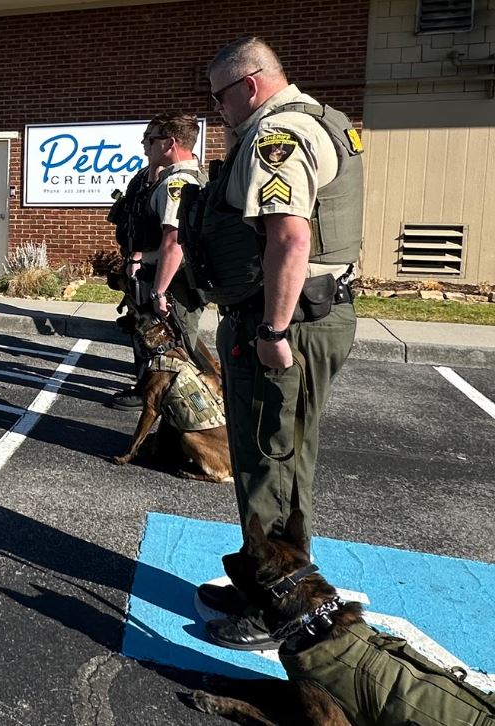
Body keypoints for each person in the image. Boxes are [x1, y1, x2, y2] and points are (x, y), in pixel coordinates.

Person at [188, 37, 364, 649]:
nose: (218, 110)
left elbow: (290, 238)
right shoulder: (318, 121)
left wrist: (272, 330)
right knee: (273, 458)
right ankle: (257, 581)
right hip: (305, 313)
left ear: (250, 84)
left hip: (287, 321)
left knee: (272, 464)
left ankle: (279, 608)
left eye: (220, 97)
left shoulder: (277, 134)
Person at [143, 112, 208, 347]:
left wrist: (159, 292)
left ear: (170, 143)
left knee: (173, 352)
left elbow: (173, 242)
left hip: (175, 285)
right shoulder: (194, 176)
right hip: (181, 280)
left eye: (152, 139)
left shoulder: (176, 183)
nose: (147, 145)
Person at [105, 158, 162, 410]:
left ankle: (149, 391)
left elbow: (155, 228)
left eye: (151, 140)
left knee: (153, 333)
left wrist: (137, 256)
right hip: (141, 267)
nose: (145, 143)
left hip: (152, 270)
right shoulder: (143, 176)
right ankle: (144, 385)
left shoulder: (168, 179)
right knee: (141, 329)